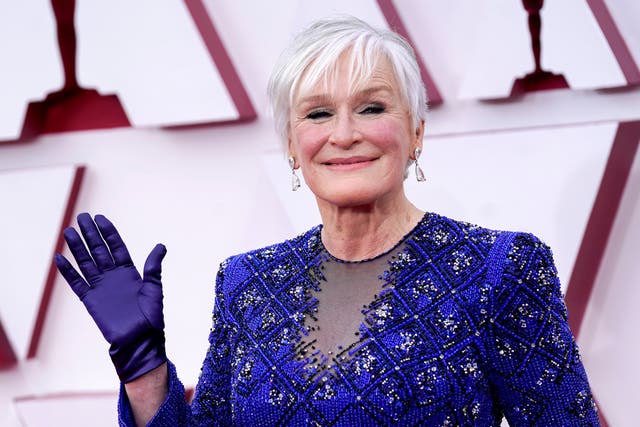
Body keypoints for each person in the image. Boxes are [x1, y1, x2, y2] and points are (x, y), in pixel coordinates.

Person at [55, 16, 600, 426]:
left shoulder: (500, 270)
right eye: (317, 113)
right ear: (293, 146)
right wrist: (142, 365)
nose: (344, 134)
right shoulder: (248, 282)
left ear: (416, 132)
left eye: (372, 108)